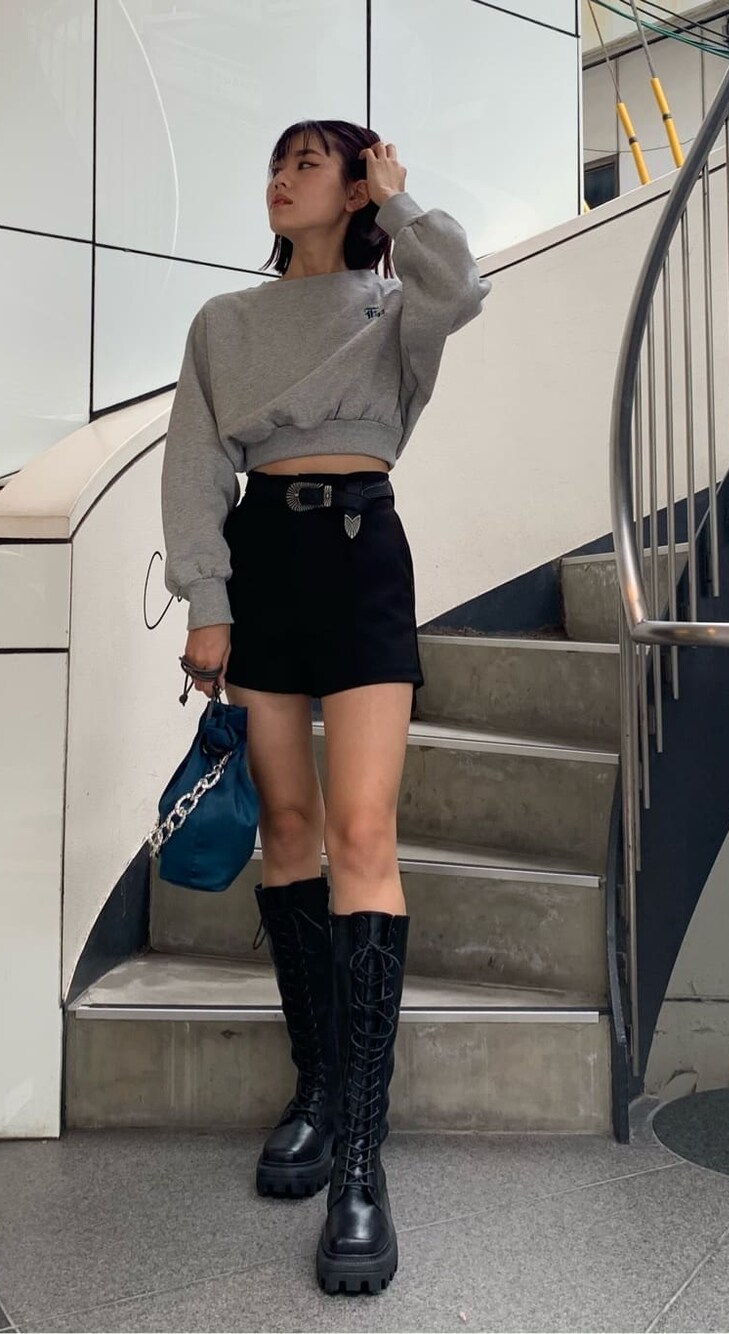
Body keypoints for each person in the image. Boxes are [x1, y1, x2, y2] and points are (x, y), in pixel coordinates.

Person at [160, 118, 491, 1295]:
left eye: (308, 161)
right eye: (275, 161)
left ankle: (359, 1153)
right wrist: (207, 600)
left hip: (361, 558)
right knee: (288, 828)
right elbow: (194, 464)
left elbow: (463, 285)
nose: (281, 177)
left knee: (361, 831)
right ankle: (316, 1083)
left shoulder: (396, 305)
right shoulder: (224, 322)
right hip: (262, 564)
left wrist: (399, 201)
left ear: (355, 185)